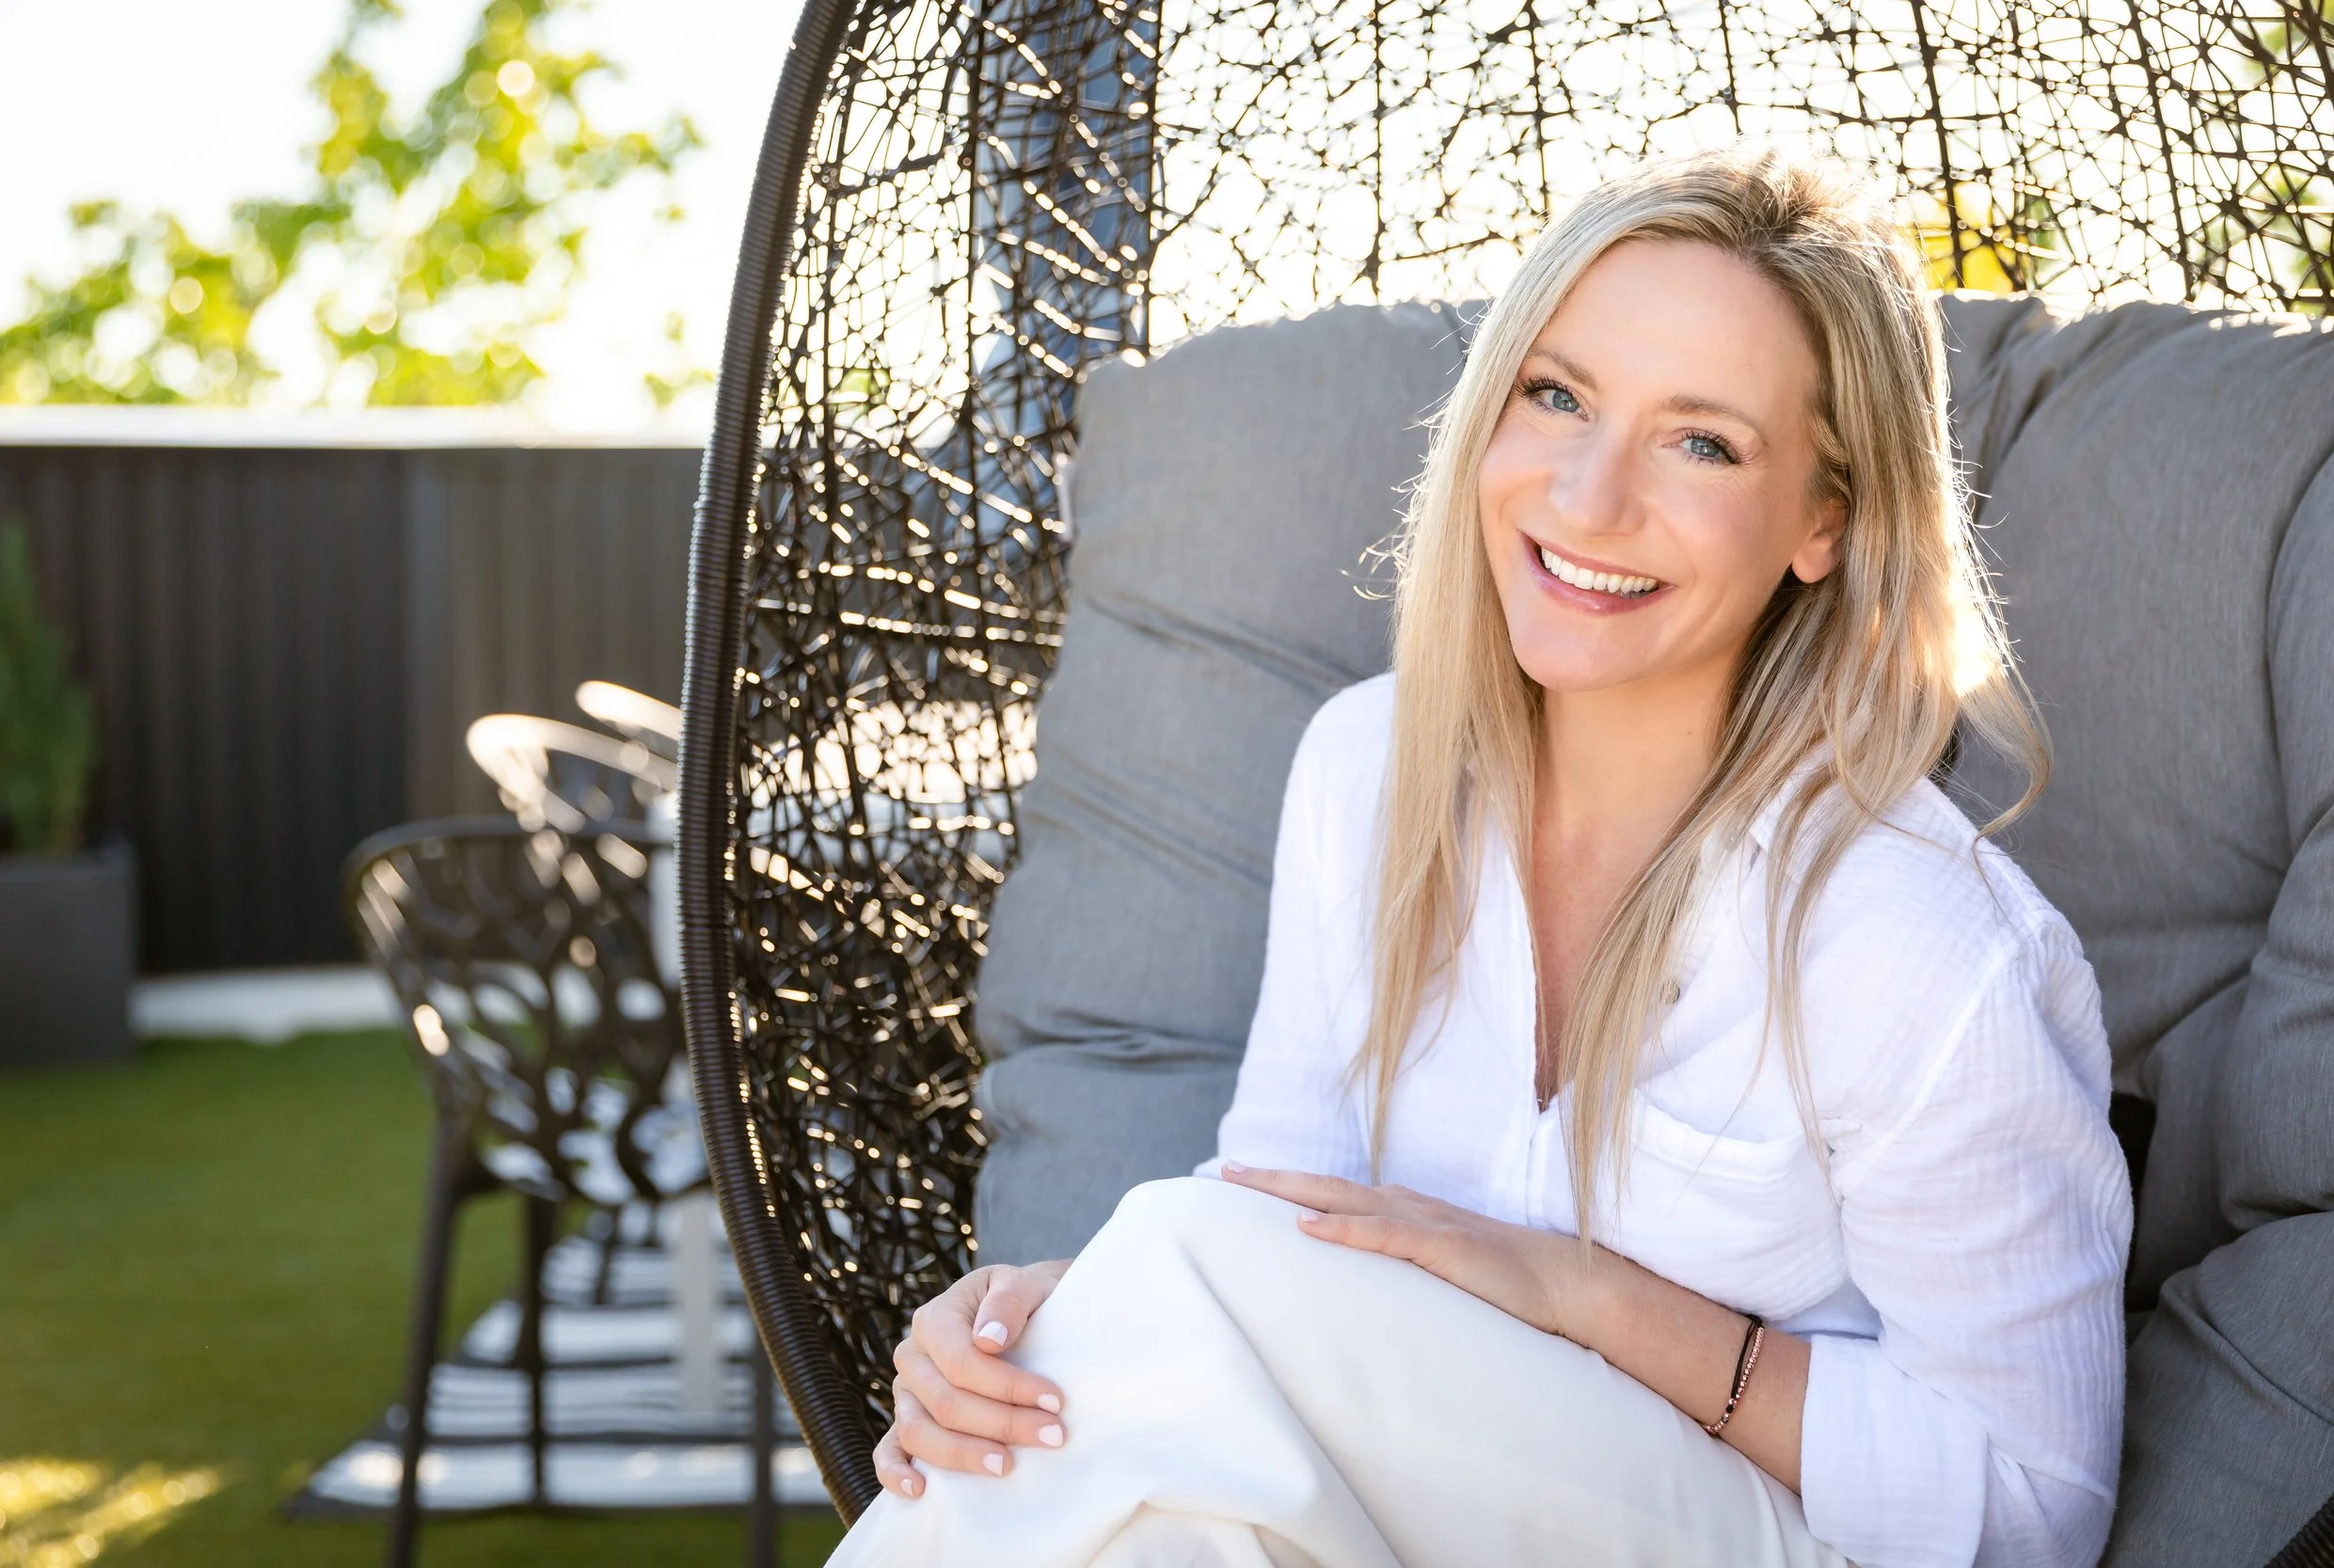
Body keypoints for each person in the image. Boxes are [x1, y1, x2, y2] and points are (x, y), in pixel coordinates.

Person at [831, 147, 2132, 1567]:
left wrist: (1586, 1297)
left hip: (1770, 1539)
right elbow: (1279, 1230)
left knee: (1167, 1291)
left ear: (1827, 518)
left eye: (1703, 441)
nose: (1588, 494)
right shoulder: (1370, 769)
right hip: (1386, 1517)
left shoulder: (1919, 939)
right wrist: (1026, 1323)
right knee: (1156, 1511)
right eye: (1557, 394)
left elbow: (2030, 1504)